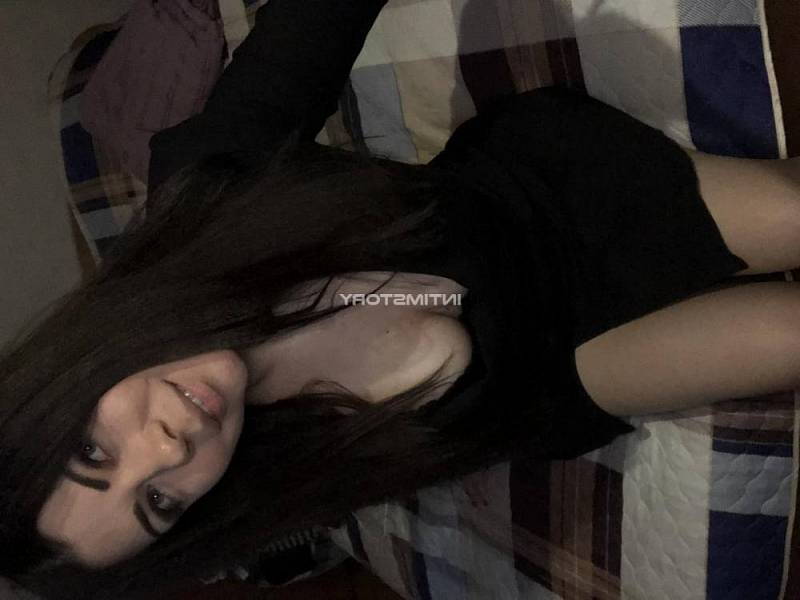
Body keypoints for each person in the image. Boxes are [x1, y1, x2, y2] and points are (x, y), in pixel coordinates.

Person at [3, 0, 800, 598]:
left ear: (65, 375)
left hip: (548, 207)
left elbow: (314, 22)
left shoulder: (208, 186)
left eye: (96, 452)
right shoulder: (274, 473)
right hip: (558, 377)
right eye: (158, 503)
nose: (169, 452)